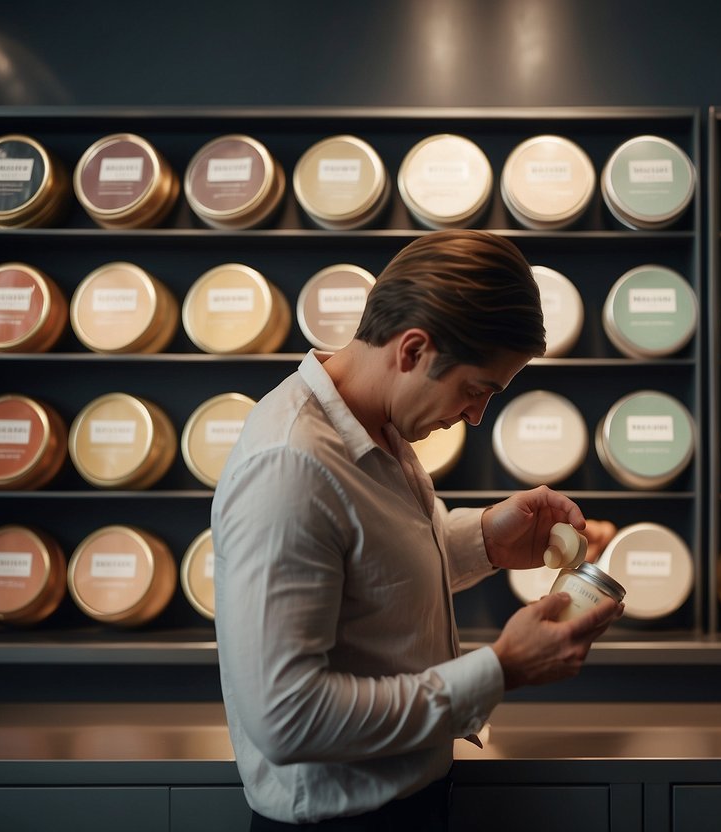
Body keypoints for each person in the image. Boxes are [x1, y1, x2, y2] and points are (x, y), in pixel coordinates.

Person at [212, 229, 623, 831]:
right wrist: (500, 670)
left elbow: (366, 570)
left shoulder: (376, 424)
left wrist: (483, 538)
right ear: (412, 350)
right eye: (476, 390)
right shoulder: (290, 467)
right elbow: (286, 717)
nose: (477, 417)